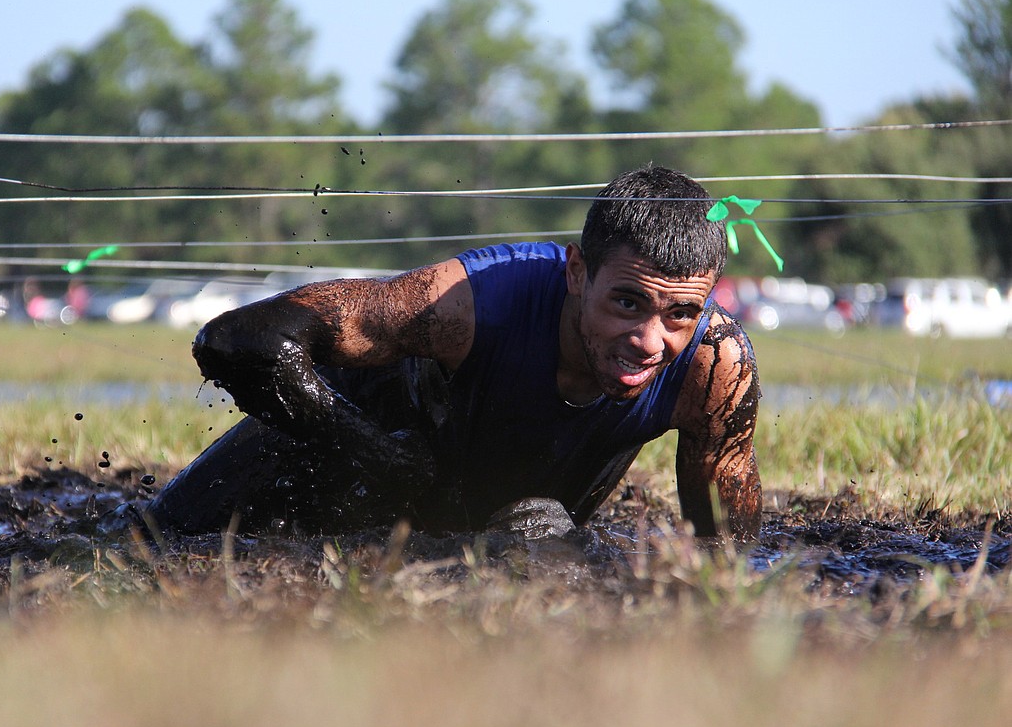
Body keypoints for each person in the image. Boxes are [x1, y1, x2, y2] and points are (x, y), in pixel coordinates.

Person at [140, 165, 762, 541]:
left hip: (507, 527)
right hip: (329, 468)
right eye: (627, 303)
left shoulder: (713, 368)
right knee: (150, 541)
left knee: (536, 536)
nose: (652, 342)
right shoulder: (467, 304)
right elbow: (241, 340)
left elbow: (728, 554)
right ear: (577, 273)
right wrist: (385, 462)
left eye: (681, 312)